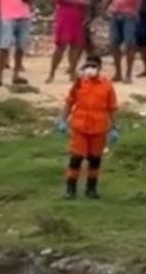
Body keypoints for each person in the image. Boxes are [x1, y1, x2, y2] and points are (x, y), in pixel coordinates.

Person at [56, 55, 119, 200]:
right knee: (76, 158)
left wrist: (115, 127)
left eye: (94, 66)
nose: (90, 68)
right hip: (80, 127)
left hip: (98, 128)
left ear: (99, 68)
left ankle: (91, 189)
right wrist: (62, 121)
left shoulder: (107, 85)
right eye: (88, 65)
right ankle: (70, 190)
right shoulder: (79, 83)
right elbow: (69, 102)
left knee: (95, 159)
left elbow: (113, 107)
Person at [47, 0, 89, 83]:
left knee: (76, 45)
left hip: (78, 16)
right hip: (65, 16)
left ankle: (73, 71)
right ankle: (52, 73)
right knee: (61, 46)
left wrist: (86, 15)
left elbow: (87, 3)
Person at [0, 0, 32, 87]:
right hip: (7, 16)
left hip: (24, 15)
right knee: (4, 46)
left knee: (20, 47)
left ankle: (15, 75)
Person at [104, 0, 141, 84]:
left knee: (130, 44)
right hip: (116, 13)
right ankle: (118, 73)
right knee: (114, 43)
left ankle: (128, 74)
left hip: (129, 15)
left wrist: (136, 11)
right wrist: (105, 8)